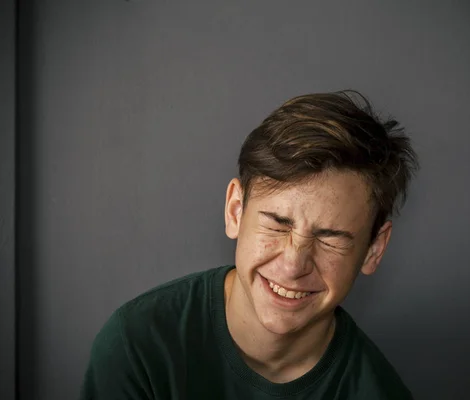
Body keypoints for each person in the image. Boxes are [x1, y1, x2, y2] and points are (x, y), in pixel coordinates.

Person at [80, 90, 418, 399]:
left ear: (374, 249)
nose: (293, 265)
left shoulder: (379, 393)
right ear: (235, 212)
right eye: (277, 224)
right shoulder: (137, 346)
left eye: (329, 238)